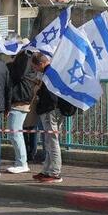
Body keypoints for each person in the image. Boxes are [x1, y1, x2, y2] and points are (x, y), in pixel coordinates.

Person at [30, 52, 75, 183]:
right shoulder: (52, 71)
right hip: (54, 110)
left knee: (52, 141)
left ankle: (55, 172)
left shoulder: (49, 74)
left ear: (41, 64)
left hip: (50, 111)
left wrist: (39, 91)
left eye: (35, 67)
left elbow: (51, 96)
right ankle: (47, 170)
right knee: (49, 141)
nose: (35, 70)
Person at [6, 50, 36, 174]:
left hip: (20, 100)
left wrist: (10, 65)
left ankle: (22, 162)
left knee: (15, 132)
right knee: (14, 133)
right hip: (18, 100)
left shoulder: (25, 57)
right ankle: (21, 161)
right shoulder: (23, 59)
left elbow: (18, 75)